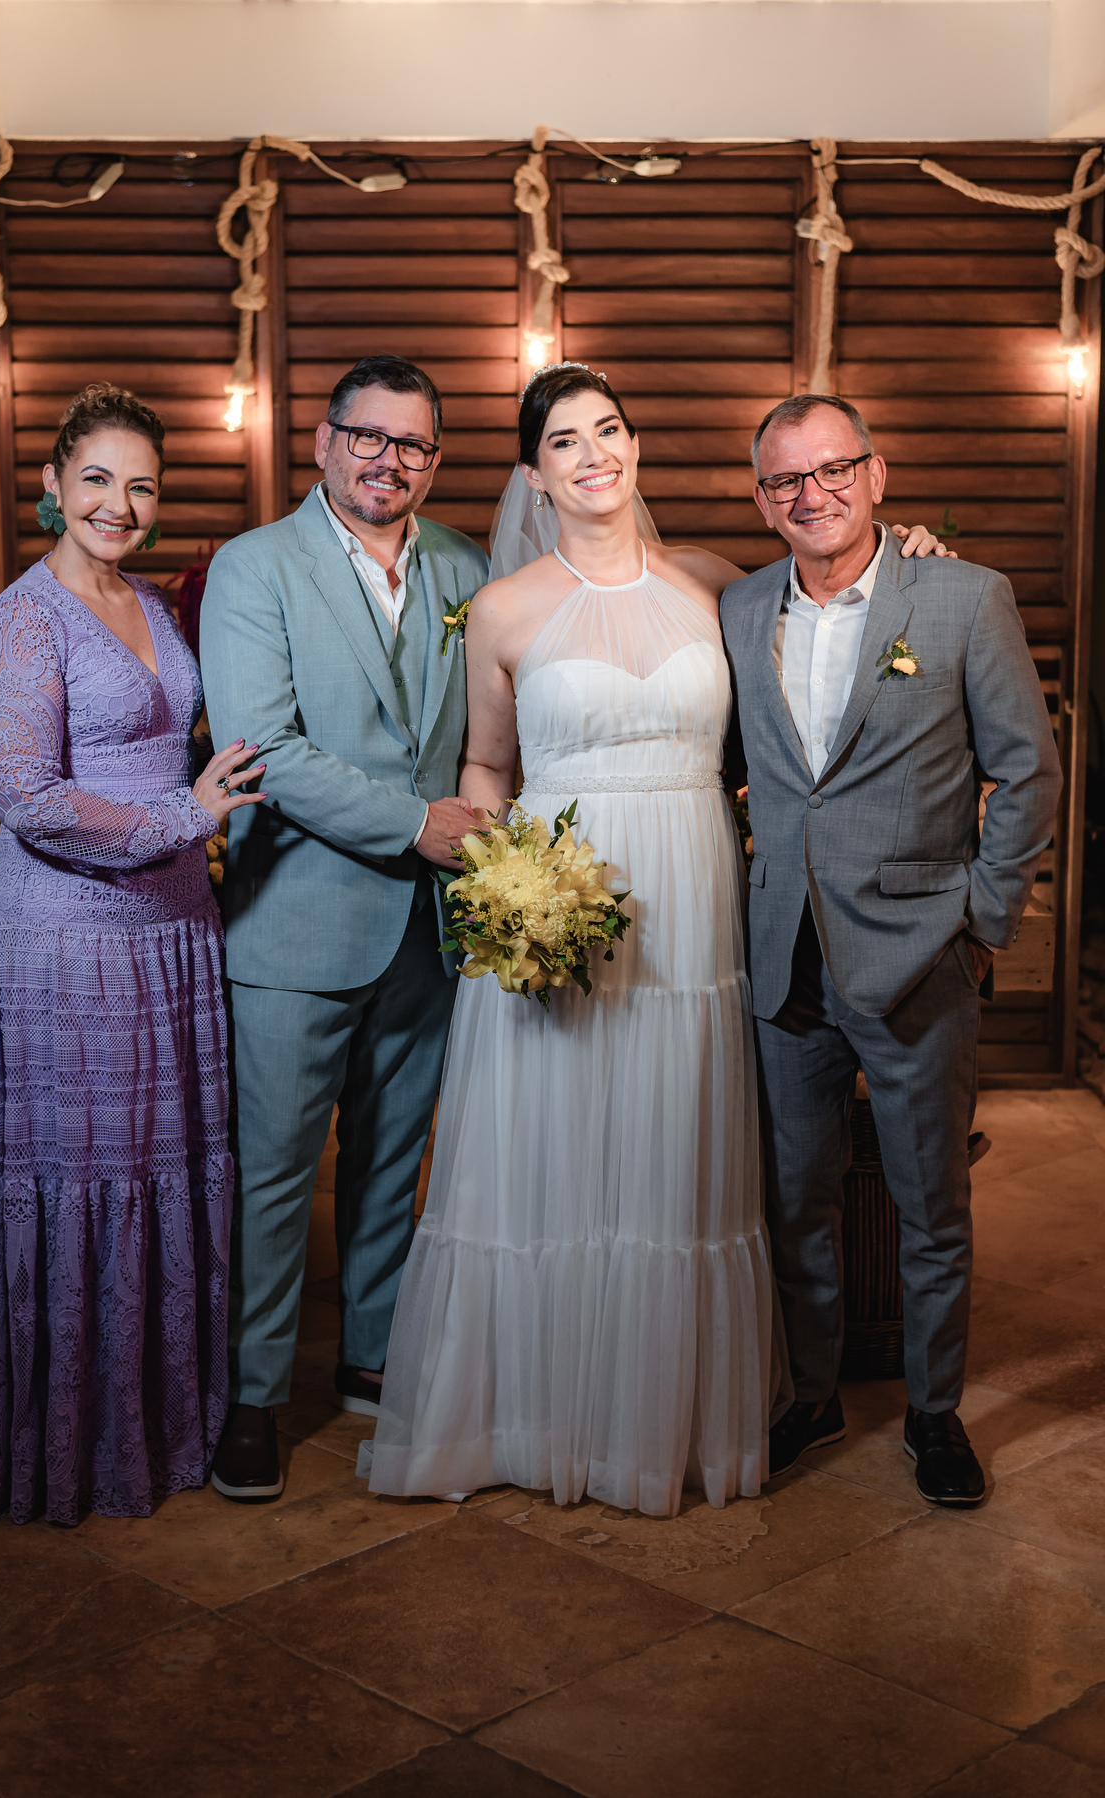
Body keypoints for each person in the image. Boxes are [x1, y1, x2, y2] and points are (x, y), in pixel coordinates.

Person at [365, 363, 953, 1516]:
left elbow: (840, 608)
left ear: (636, 448)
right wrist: (505, 890)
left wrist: (914, 555)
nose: (593, 454)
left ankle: (657, 1419)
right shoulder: (506, 608)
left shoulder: (719, 585)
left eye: (610, 430)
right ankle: (537, 1416)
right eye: (564, 441)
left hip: (692, 904)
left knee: (675, 1159)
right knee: (553, 1156)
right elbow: (486, 765)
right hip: (559, 902)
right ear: (534, 474)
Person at [722, 393, 1062, 1507]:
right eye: (785, 479)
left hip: (922, 951)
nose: (811, 494)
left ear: (876, 474)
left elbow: (1028, 772)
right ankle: (812, 1394)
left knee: (930, 1203)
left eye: (833, 469)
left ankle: (934, 1411)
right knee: (795, 1199)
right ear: (761, 499)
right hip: (785, 954)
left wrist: (983, 920)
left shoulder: (962, 596)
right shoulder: (737, 608)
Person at [0, 382, 265, 1525]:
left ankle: (164, 1424)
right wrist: (187, 815)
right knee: (86, 1176)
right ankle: (75, 1446)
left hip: (175, 933)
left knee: (165, 1169)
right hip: (70, 943)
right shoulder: (24, 616)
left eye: (141, 485)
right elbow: (27, 795)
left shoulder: (151, 600)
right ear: (52, 483)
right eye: (96, 478)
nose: (119, 504)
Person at [199, 355, 488, 1502]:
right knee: (273, 1172)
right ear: (323, 443)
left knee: (391, 1159)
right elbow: (262, 748)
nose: (388, 460)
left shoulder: (467, 563)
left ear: (434, 460)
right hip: (295, 923)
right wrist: (419, 824)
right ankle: (254, 1392)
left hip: (430, 928)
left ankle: (373, 1351)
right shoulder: (254, 565)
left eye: (412, 443)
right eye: (367, 436)